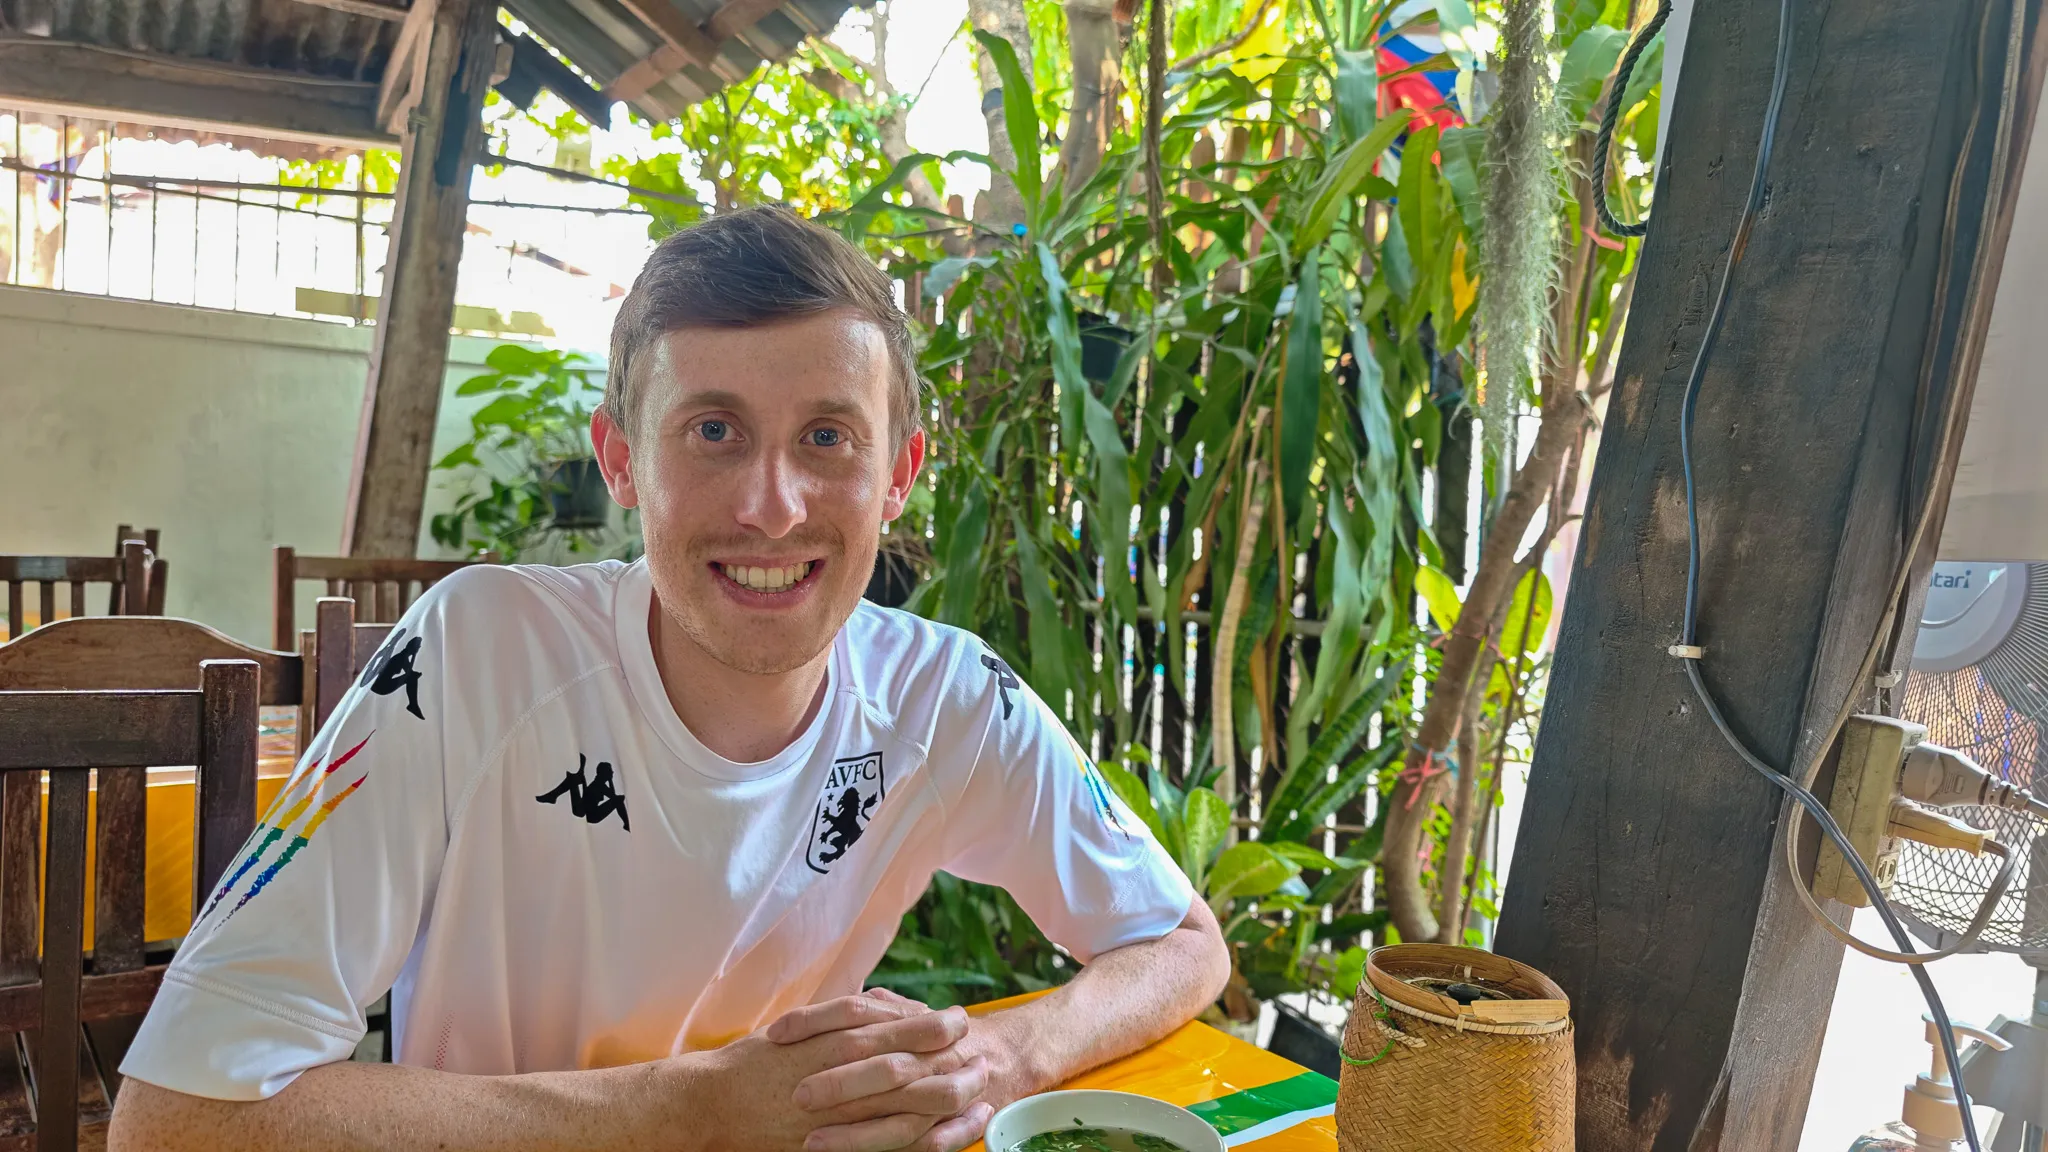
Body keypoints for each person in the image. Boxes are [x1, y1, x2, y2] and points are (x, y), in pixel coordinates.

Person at [109, 206, 1230, 1152]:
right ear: (620, 461)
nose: (770, 505)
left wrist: (1011, 1052)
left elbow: (1182, 944)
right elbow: (171, 1117)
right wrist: (693, 1107)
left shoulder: (946, 699)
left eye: (828, 438)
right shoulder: (474, 655)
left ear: (898, 474)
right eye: (711, 430)